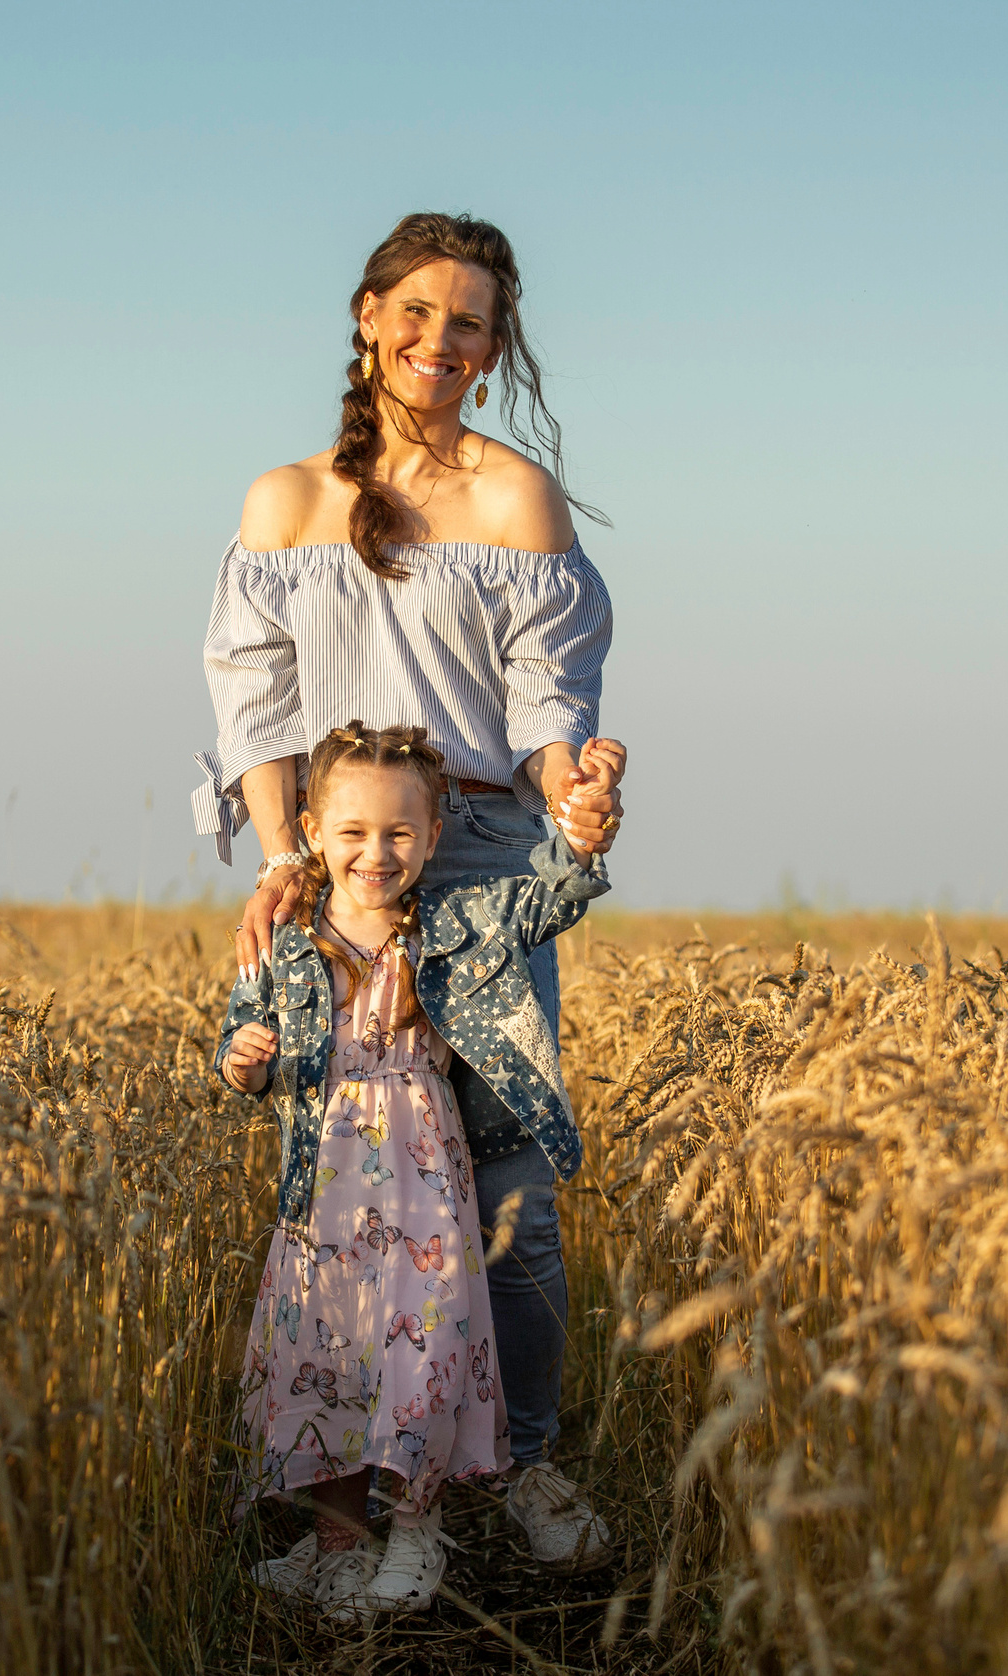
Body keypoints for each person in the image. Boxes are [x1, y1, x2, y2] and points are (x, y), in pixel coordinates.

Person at [193, 212, 622, 1575]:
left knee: (506, 1198)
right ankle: (354, 1484)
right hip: (334, 870)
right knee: (338, 1193)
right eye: (421, 312)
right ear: (372, 316)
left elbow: (553, 711)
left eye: (474, 323)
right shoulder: (285, 502)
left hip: (484, 864)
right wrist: (281, 860)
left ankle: (524, 1462)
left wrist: (581, 794)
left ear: (496, 352)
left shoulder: (517, 499)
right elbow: (253, 704)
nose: (444, 341)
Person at [221, 723, 623, 1625]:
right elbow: (239, 1040)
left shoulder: (455, 924)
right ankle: (336, 1543)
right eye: (354, 832)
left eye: (401, 834)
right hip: (322, 1200)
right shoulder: (286, 941)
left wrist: (586, 824)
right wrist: (242, 1061)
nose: (377, 852)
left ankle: (414, 1534)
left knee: (419, 1352)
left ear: (434, 838)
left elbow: (551, 894)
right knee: (330, 1352)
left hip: (423, 1195)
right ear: (312, 830)